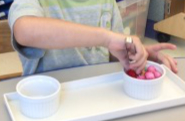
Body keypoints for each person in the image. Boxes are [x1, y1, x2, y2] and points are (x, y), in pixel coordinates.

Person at [8, 0, 177, 76]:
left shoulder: (106, 2)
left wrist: (135, 54)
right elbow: (25, 31)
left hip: (97, 94)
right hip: (46, 99)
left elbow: (112, 52)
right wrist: (105, 38)